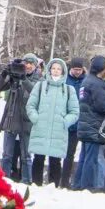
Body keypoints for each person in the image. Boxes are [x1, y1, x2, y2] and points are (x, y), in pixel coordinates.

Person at [25, 58, 78, 186]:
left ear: (63, 71)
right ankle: (36, 185)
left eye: (58, 69)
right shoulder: (40, 86)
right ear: (49, 70)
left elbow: (75, 112)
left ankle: (53, 187)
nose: (55, 71)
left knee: (55, 160)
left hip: (58, 131)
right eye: (53, 68)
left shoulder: (68, 90)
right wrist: (35, 118)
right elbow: (30, 105)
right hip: (41, 127)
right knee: (38, 158)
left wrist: (65, 122)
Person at [72, 55, 105, 191]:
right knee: (90, 159)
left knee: (83, 157)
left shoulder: (86, 80)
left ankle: (78, 184)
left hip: (85, 124)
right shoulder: (98, 84)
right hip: (94, 126)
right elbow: (102, 106)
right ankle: (86, 186)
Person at [0, 54, 39, 188]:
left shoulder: (38, 79)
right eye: (26, 63)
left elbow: (34, 91)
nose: (28, 66)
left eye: (31, 63)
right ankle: (5, 180)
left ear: (35, 66)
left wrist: (23, 78)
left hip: (27, 121)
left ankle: (27, 181)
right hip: (11, 118)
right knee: (7, 154)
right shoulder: (14, 76)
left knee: (26, 156)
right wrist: (4, 74)